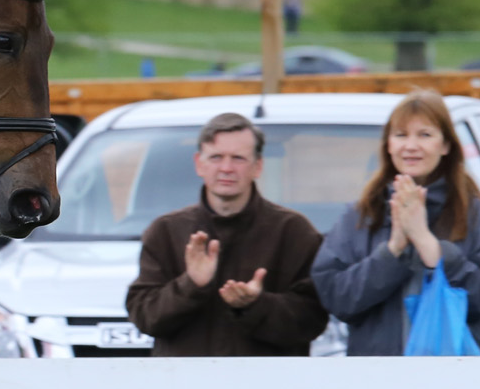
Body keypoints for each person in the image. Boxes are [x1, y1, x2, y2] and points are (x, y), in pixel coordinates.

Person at [312, 90, 480, 355]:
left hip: (454, 379)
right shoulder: (361, 217)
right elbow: (337, 299)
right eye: (401, 135)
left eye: (425, 135)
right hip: (378, 380)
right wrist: (392, 252)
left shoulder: (476, 217)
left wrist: (429, 246)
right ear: (388, 145)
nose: (411, 146)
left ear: (446, 145)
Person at [125, 112, 329, 357]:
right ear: (199, 164)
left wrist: (255, 305)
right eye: (216, 157)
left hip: (268, 388)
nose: (226, 168)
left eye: (238, 158)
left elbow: (313, 320)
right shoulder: (165, 232)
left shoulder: (294, 232)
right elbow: (146, 318)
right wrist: (190, 285)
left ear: (258, 166)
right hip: (184, 388)